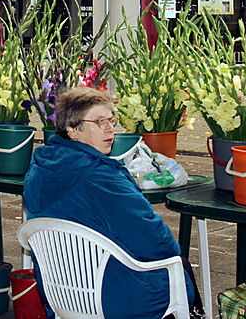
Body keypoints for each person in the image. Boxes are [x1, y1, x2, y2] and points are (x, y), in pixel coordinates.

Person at [23, 86, 201, 319]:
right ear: (72, 129)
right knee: (179, 266)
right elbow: (158, 242)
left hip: (62, 292)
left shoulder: (41, 167)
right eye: (99, 122)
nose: (110, 129)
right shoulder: (101, 177)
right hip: (113, 295)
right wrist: (176, 260)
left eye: (111, 120)